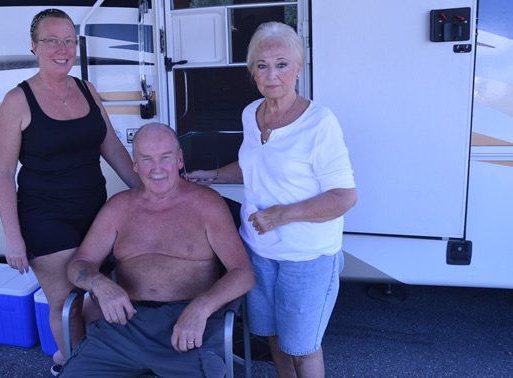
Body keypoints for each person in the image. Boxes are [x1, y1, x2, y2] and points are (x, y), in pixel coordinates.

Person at [186, 22, 357, 377]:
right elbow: (255, 167)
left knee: (304, 348)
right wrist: (213, 175)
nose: (272, 74)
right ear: (252, 72)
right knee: (275, 340)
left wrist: (282, 215)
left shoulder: (320, 123)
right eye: (262, 65)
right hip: (259, 252)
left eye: (281, 64)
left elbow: (344, 197)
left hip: (306, 258)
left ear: (298, 68)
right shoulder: (252, 114)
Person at [0, 8, 141, 375]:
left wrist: (148, 193)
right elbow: (3, 172)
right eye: (52, 40)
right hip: (46, 218)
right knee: (66, 303)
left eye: (69, 40)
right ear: (34, 47)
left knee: (103, 290)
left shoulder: (87, 90)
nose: (63, 48)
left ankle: (70, 354)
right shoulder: (18, 100)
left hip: (95, 211)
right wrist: (12, 236)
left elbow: (113, 147)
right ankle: (76, 367)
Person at [60, 123, 255, 377]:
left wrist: (202, 308)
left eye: (165, 158)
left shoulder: (207, 204)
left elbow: (243, 273)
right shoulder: (119, 207)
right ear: (135, 165)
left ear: (179, 159)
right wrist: (99, 284)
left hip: (190, 325)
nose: (157, 169)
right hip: (124, 327)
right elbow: (79, 264)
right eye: (147, 159)